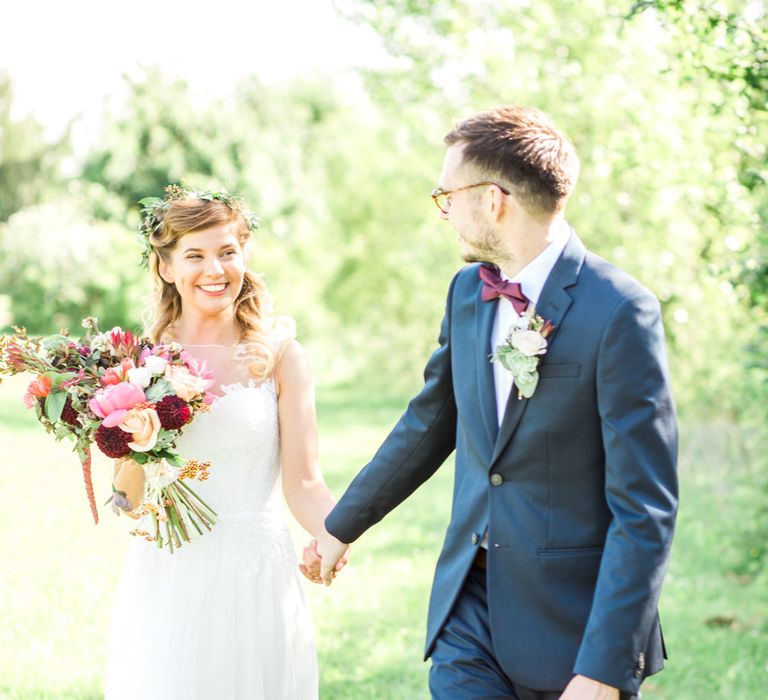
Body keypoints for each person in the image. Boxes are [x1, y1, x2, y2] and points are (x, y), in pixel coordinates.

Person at [308, 106, 678, 699]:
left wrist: (605, 668)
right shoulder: (467, 293)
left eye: (447, 194)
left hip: (572, 628)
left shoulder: (620, 311)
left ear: (493, 199)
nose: (444, 210)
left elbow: (645, 509)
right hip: (467, 614)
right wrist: (340, 527)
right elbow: (430, 421)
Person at [104, 187, 344, 699]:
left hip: (255, 572)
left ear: (244, 256)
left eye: (227, 251)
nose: (214, 269)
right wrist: (137, 436)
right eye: (195, 255)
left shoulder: (279, 355)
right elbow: (128, 503)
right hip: (170, 568)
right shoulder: (138, 362)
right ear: (166, 267)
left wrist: (337, 533)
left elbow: (304, 481)